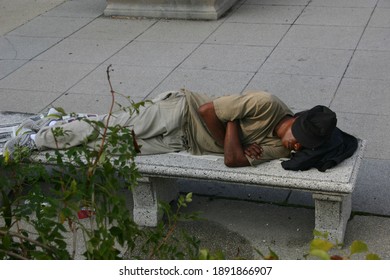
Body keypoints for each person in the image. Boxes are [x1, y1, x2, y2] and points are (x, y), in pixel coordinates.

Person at [3, 89, 337, 168]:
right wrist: (231, 134)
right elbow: (206, 110)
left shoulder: (281, 149)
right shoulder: (266, 103)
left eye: (304, 147)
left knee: (109, 148)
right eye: (299, 138)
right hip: (180, 111)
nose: (296, 147)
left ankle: (59, 122)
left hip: (182, 143)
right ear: (296, 120)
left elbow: (233, 160)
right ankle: (36, 137)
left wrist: (231, 120)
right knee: (110, 128)